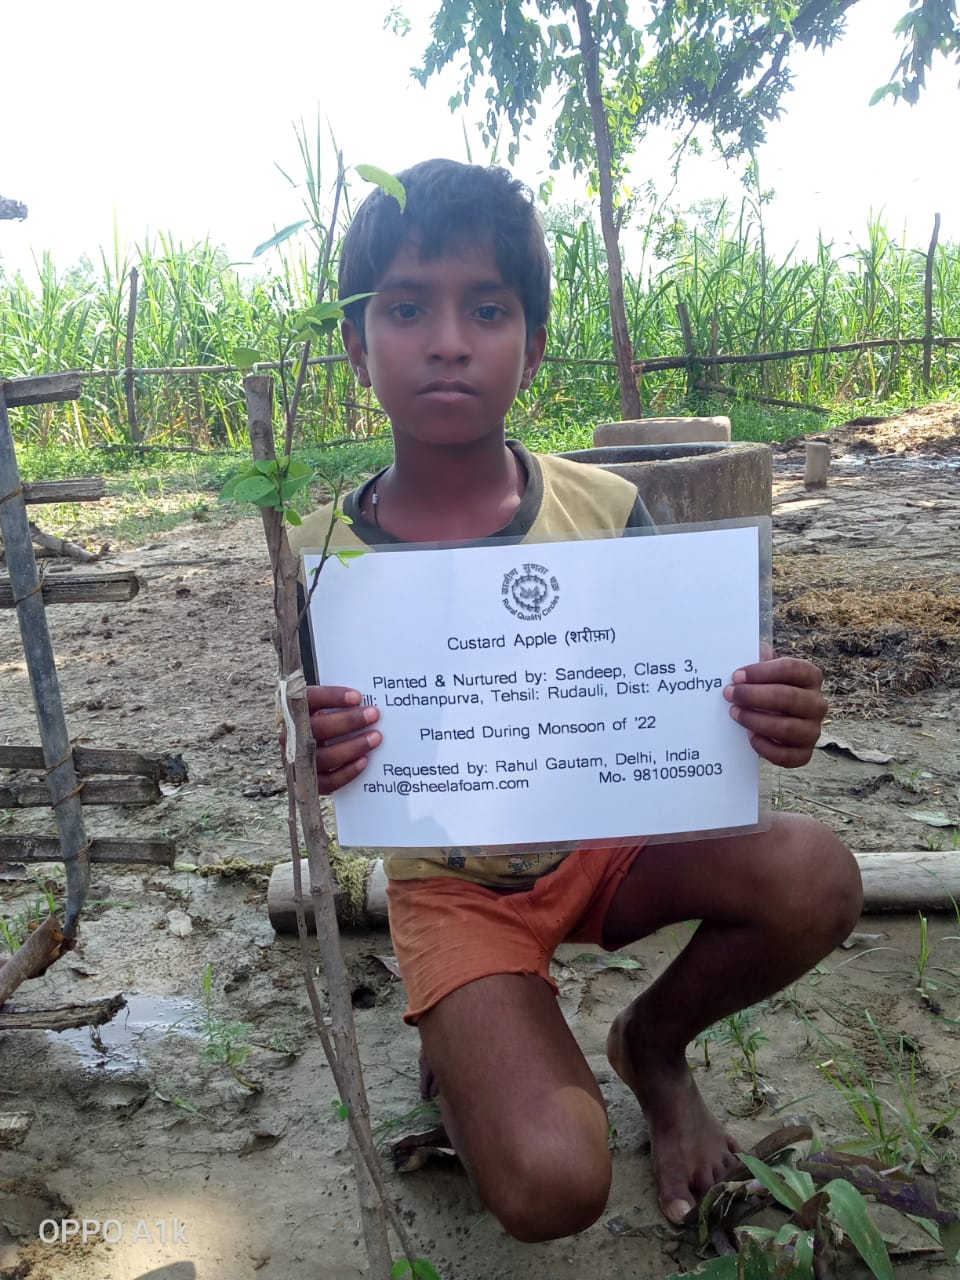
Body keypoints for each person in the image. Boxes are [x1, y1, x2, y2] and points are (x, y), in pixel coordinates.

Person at [287, 159, 863, 1242]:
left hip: (611, 843)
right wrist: (317, 750)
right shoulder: (328, 554)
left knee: (816, 875)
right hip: (455, 886)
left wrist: (763, 711)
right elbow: (319, 752)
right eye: (407, 308)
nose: (448, 339)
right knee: (554, 1183)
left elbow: (683, 700)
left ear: (533, 346)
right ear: (360, 346)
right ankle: (469, 1034)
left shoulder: (607, 508)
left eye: (487, 308)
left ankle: (652, 1042)